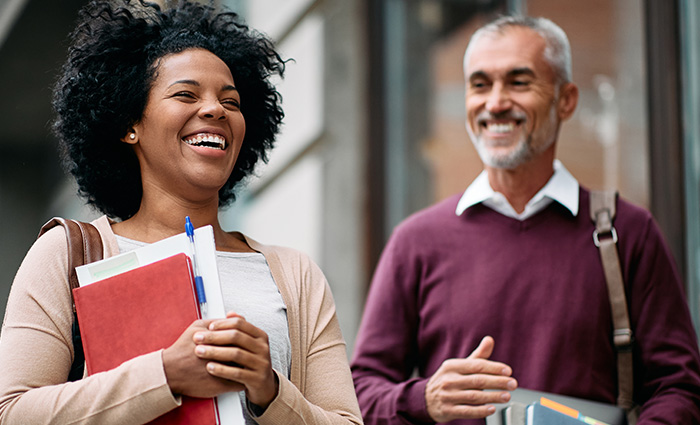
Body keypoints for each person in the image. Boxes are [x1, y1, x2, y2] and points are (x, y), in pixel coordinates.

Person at [0, 1, 362, 424]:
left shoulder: (294, 273)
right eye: (186, 94)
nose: (215, 110)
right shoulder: (67, 253)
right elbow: (13, 412)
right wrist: (167, 374)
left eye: (231, 101)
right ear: (128, 124)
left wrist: (269, 389)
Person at [351, 15, 700, 425]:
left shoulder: (628, 232)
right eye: (480, 84)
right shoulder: (416, 241)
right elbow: (359, 390)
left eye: (518, 82)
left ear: (565, 99)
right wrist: (422, 398)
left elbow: (677, 387)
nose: (495, 103)